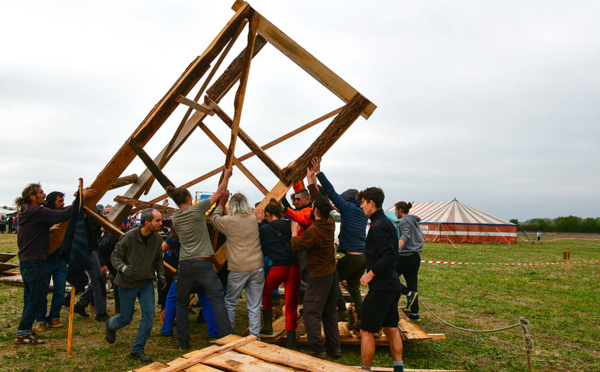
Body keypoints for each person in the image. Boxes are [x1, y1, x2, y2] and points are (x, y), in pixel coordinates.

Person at [14, 183, 97, 345]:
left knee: (31, 296)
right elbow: (65, 215)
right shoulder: (35, 211)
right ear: (32, 197)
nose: (44, 194)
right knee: (36, 297)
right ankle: (23, 332)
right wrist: (81, 196)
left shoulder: (26, 212)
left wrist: (46, 231)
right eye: (40, 192)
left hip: (27, 261)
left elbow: (31, 233)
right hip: (35, 261)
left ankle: (25, 329)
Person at [167, 169, 235, 350]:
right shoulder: (196, 209)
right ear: (189, 199)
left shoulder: (175, 217)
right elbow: (220, 193)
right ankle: (227, 336)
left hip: (185, 265)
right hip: (203, 263)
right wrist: (226, 176)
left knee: (181, 303)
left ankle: (182, 340)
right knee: (217, 299)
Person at [311, 157, 368, 325]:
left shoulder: (347, 208)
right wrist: (341, 208)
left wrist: (318, 172)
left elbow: (331, 192)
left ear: (348, 200)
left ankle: (342, 312)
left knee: (332, 280)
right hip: (362, 258)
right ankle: (362, 317)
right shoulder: (359, 212)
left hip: (351, 257)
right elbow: (347, 210)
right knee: (353, 287)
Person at [105, 208, 166, 362]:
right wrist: (123, 268)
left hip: (146, 282)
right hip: (128, 283)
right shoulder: (129, 237)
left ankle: (137, 350)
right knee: (126, 318)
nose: (161, 223)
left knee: (149, 315)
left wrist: (161, 274)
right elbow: (115, 256)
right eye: (157, 220)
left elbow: (158, 258)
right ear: (147, 223)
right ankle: (111, 325)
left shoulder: (158, 238)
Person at [357, 187, 404, 372]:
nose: (361, 206)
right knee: (391, 328)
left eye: (363, 203)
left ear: (372, 203)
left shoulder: (379, 225)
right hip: (391, 285)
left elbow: (390, 255)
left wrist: (370, 274)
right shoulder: (386, 223)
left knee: (366, 330)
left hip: (382, 287)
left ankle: (365, 369)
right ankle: (398, 369)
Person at [291, 196, 341, 359]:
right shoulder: (330, 223)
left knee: (311, 312)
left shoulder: (313, 231)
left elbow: (297, 248)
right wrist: (313, 179)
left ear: (316, 210)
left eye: (313, 208)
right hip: (332, 274)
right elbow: (321, 201)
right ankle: (334, 347)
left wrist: (294, 233)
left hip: (319, 276)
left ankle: (318, 349)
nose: (311, 210)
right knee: (329, 312)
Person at [211, 192, 265, 338]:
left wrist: (221, 203)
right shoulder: (253, 219)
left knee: (230, 302)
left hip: (237, 267)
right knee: (254, 305)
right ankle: (255, 336)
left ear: (232, 205)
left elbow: (214, 218)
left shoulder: (228, 221)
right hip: (256, 266)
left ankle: (229, 335)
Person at [257, 200, 300, 349]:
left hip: (278, 267)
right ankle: (291, 341)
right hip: (294, 266)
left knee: (266, 292)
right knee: (291, 303)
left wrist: (259, 221)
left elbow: (261, 244)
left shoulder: (265, 228)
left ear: (267, 214)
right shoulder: (290, 224)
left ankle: (267, 326)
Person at [35, 192, 69, 331]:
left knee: (60, 291)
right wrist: (48, 230)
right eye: (59, 201)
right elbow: (34, 233)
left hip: (60, 260)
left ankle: (54, 317)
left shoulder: (64, 216)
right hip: (46, 260)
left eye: (63, 201)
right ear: (51, 202)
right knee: (42, 291)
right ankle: (40, 319)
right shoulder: (44, 215)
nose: (62, 203)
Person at [394, 201, 423, 321]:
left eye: (395, 210)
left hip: (405, 256)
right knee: (412, 284)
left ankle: (407, 293)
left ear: (400, 210)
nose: (395, 213)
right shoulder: (414, 221)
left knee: (389, 277)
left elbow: (405, 235)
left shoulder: (405, 220)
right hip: (415, 256)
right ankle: (415, 313)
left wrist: (394, 249)